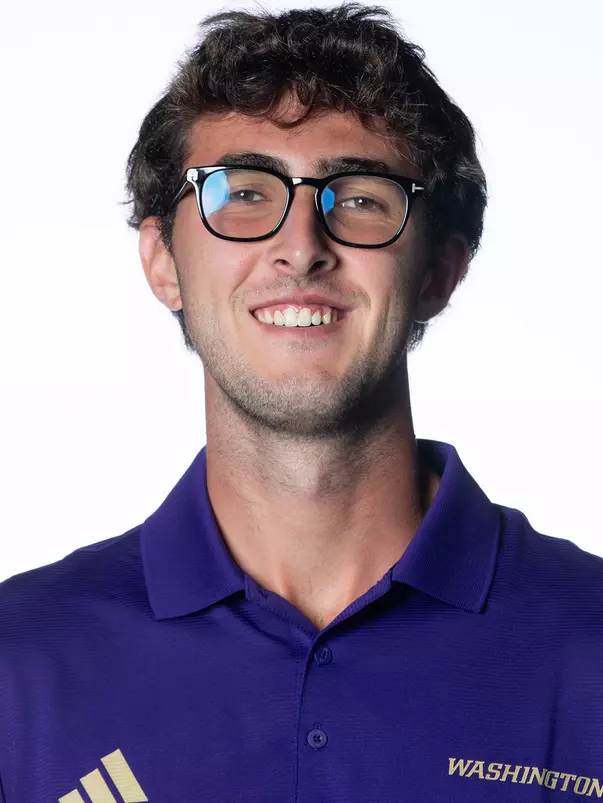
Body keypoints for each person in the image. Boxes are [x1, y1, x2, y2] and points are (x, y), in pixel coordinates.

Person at [1, 3, 602, 801]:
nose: (300, 246)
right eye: (242, 192)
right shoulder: (19, 663)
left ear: (438, 271)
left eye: (359, 198)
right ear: (163, 262)